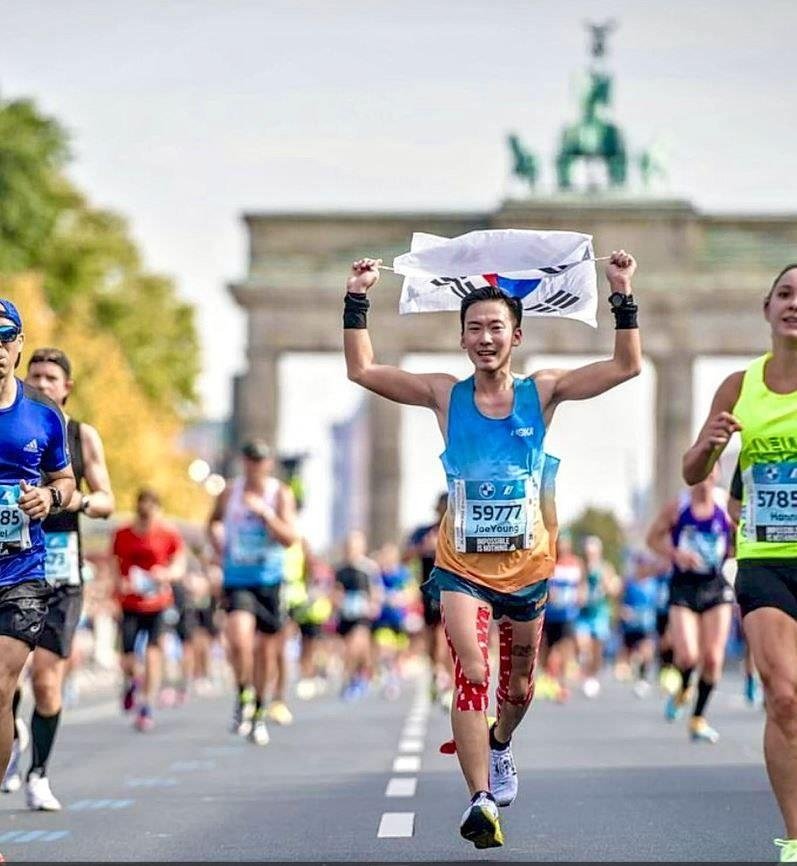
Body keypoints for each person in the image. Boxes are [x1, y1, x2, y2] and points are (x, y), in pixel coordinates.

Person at [343, 250, 640, 849]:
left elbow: (626, 366)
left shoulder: (544, 391)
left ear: (516, 336)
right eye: (474, 328)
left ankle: (500, 743)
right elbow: (364, 370)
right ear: (461, 338)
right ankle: (480, 799)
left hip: (528, 569)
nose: (484, 338)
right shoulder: (443, 395)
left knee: (519, 687)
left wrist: (622, 292)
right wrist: (357, 299)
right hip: (461, 568)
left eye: (495, 328)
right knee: (473, 672)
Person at [682, 263, 797, 861]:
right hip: (766, 560)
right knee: (784, 697)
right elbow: (693, 471)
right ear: (766, 307)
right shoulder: (739, 385)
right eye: (785, 293)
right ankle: (796, 838)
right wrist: (710, 447)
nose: (794, 304)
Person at [1, 348, 114, 810]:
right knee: (10, 679)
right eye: (38, 376)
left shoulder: (78, 434)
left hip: (57, 568)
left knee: (47, 680)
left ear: (67, 387)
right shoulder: (19, 414)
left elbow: (106, 499)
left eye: (53, 378)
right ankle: (10, 720)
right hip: (18, 556)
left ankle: (39, 773)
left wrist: (68, 500)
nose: (44, 384)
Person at [0, 302, 75, 834]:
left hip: (20, 572)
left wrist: (50, 497)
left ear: (19, 344)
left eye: (4, 337)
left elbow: (67, 482)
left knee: (1, 685)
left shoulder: (44, 414)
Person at [207, 439, 297, 746]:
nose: (254, 466)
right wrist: (217, 539)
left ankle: (259, 709)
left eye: (259, 460)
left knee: (266, 651)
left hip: (269, 580)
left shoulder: (279, 494)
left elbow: (290, 538)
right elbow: (213, 523)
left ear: (268, 464)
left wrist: (266, 515)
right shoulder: (230, 492)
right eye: (249, 460)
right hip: (238, 578)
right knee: (238, 637)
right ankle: (243, 692)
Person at [646, 468, 735, 742]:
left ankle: (698, 718)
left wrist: (734, 554)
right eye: (701, 474)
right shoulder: (678, 505)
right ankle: (684, 687)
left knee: (713, 658)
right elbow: (652, 539)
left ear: (717, 475)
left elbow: (741, 535)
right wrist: (676, 554)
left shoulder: (726, 504)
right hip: (683, 586)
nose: (705, 480)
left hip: (715, 585)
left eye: (711, 473)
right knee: (687, 656)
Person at [111, 488, 186, 732]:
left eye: (150, 515)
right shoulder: (123, 533)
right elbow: (114, 562)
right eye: (142, 515)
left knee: (154, 652)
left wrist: (166, 574)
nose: (146, 521)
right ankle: (133, 682)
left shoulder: (168, 534)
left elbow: (179, 565)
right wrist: (119, 584)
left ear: (157, 511)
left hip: (158, 602)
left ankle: (147, 705)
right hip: (130, 602)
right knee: (128, 658)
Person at [405, 493, 452, 708]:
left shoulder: (459, 530)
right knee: (433, 636)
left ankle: (448, 680)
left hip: (454, 589)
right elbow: (404, 556)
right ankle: (437, 672)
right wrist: (423, 549)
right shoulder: (424, 532)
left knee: (449, 635)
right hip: (430, 591)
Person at [333, 530, 381, 701]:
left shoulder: (369, 568)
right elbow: (335, 591)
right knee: (350, 650)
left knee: (357, 644)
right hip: (346, 614)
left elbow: (376, 590)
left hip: (362, 614)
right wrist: (337, 602)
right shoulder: (340, 569)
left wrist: (374, 605)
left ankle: (357, 678)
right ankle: (357, 675)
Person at [540, 532, 584, 703]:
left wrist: (581, 595)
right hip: (550, 613)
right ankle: (547, 679)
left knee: (566, 647)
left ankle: (563, 684)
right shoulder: (549, 562)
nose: (563, 547)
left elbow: (581, 585)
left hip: (568, 613)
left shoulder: (576, 563)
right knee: (546, 647)